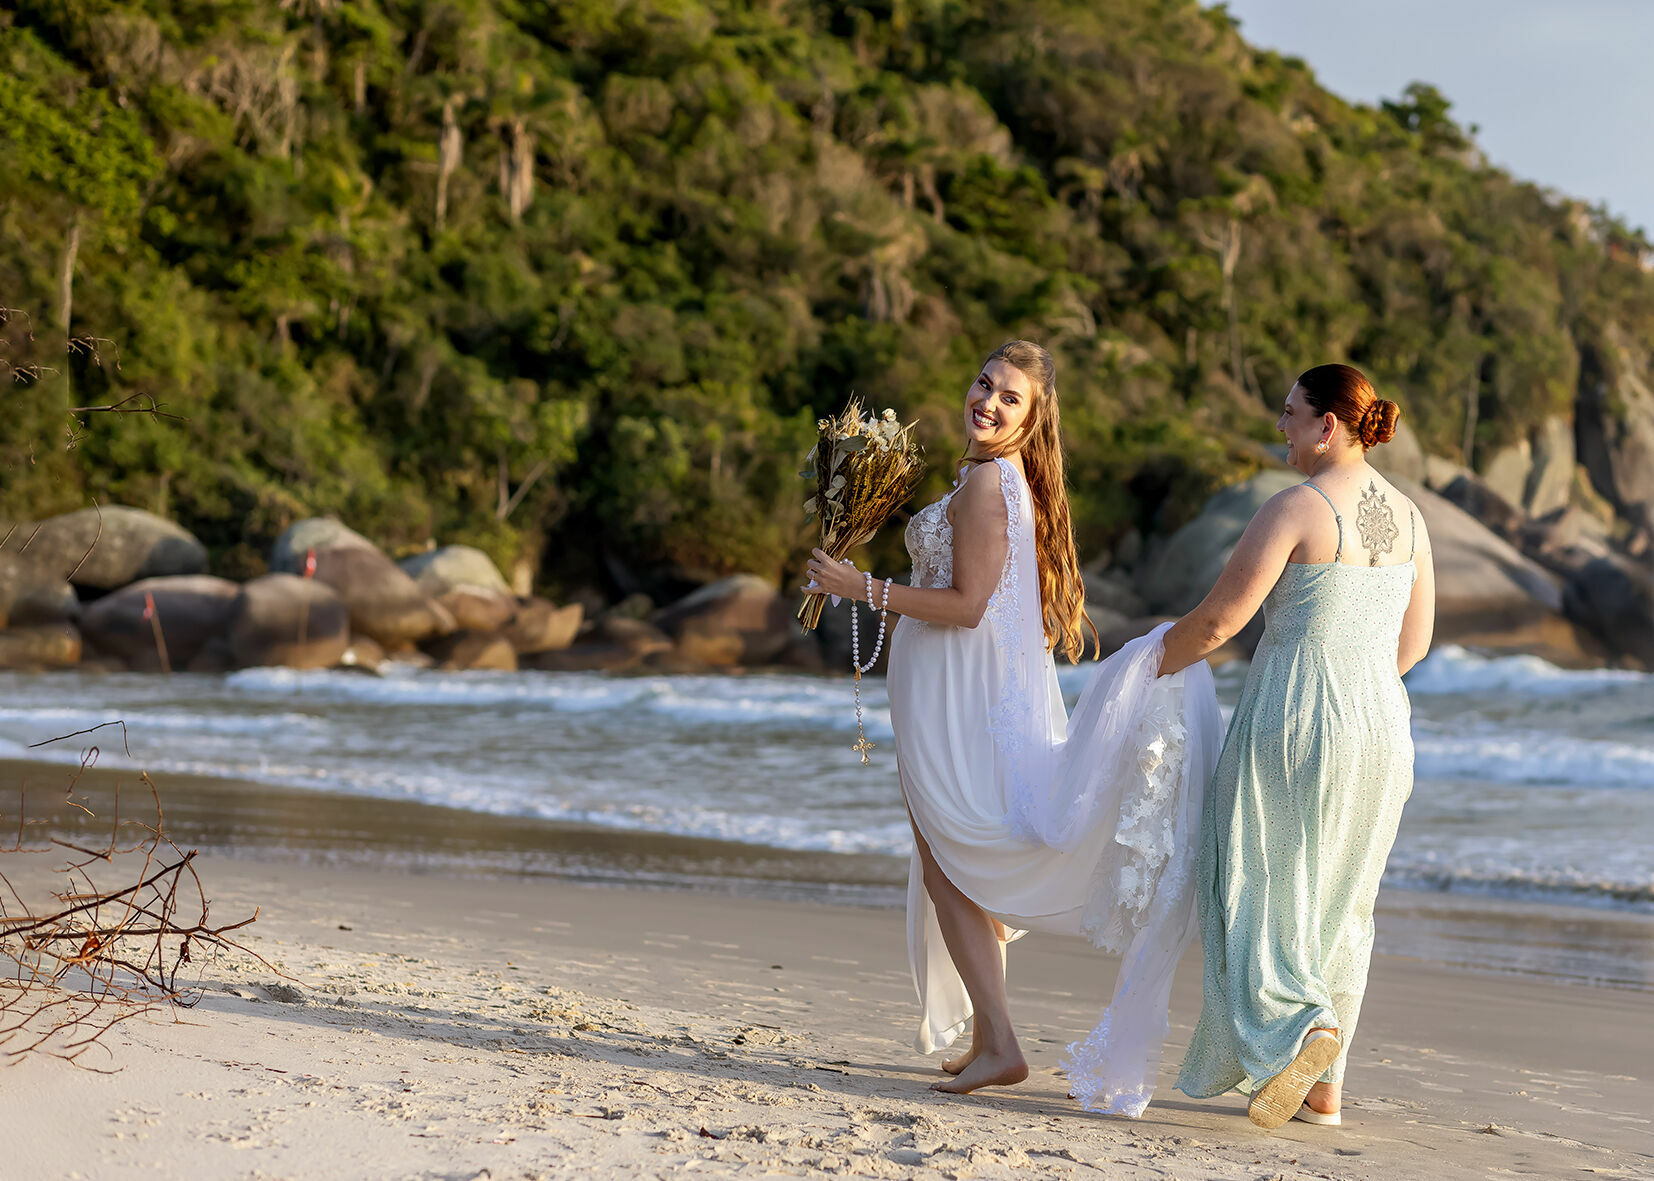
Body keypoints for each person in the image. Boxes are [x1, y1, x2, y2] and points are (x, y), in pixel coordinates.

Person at [803, 341, 1222, 1112]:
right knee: (949, 857)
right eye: (984, 383)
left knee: (951, 858)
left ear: (1033, 420)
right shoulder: (988, 477)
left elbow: (966, 605)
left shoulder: (993, 484)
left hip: (963, 701)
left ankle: (1000, 1040)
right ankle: (988, 1032)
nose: (988, 402)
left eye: (1011, 398)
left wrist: (860, 586)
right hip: (953, 695)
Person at [1162, 364, 1436, 1129]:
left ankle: (1302, 1028)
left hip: (1295, 717)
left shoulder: (1296, 508)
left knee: (1254, 880)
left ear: (1327, 426)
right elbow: (1414, 645)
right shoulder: (1412, 518)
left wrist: (1141, 664)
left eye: (1290, 414)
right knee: (1345, 902)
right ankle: (1325, 1087)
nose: (1279, 427)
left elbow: (1219, 624)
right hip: (1382, 725)